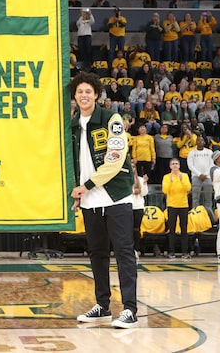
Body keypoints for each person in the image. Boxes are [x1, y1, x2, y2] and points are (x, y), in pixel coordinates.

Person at [69, 72, 138, 329]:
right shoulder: (73, 125)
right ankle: (103, 305)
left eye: (88, 91)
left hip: (115, 196)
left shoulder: (112, 119)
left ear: (96, 94)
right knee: (97, 253)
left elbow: (116, 158)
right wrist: (77, 192)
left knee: (123, 252)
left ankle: (130, 309)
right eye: (79, 92)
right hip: (89, 201)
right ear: (74, 97)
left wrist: (85, 186)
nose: (84, 95)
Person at [162, 158, 191, 259]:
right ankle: (171, 252)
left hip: (183, 205)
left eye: (176, 164)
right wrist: (170, 181)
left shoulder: (185, 176)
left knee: (184, 229)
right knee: (172, 229)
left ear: (179, 166)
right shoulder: (166, 177)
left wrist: (181, 179)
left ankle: (185, 252)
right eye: (173, 164)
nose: (175, 166)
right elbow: (165, 190)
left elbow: (188, 188)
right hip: (171, 205)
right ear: (170, 166)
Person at [187, 136, 214, 212]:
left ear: (204, 142)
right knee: (195, 198)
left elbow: (212, 164)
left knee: (208, 198)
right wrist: (199, 174)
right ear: (196, 142)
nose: (200, 141)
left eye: (202, 140)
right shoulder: (191, 153)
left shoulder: (209, 152)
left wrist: (205, 174)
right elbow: (190, 165)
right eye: (198, 140)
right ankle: (195, 215)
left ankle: (208, 215)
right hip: (196, 177)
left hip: (207, 177)